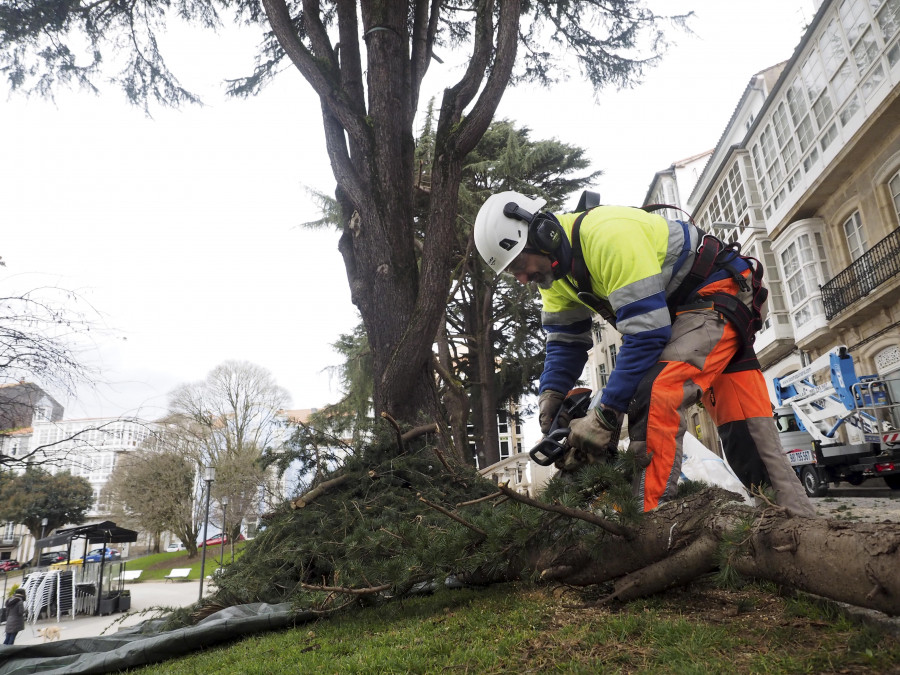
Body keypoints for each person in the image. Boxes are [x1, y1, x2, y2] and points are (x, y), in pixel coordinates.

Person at [473, 190, 815, 517]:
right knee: (747, 431)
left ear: (542, 234)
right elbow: (565, 343)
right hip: (684, 313)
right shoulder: (556, 277)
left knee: (657, 393)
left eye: (519, 263)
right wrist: (551, 398)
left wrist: (606, 415)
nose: (521, 278)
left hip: (718, 294)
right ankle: (793, 523)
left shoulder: (607, 237)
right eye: (512, 272)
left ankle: (648, 520)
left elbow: (647, 335)